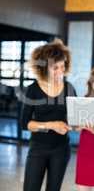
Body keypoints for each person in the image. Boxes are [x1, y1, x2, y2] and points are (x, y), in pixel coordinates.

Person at [20, 39, 76, 191]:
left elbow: (74, 120)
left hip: (61, 149)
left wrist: (81, 124)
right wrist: (51, 125)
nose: (60, 72)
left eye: (63, 67)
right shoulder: (33, 89)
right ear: (43, 68)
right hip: (38, 148)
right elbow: (25, 124)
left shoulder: (69, 88)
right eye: (55, 68)